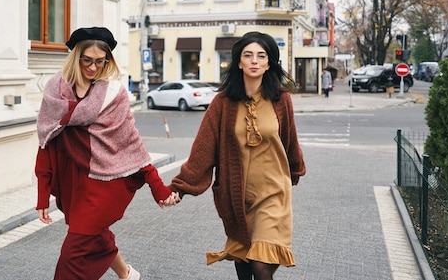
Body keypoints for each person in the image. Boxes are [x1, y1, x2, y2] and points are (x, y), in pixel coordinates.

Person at [35, 26, 179, 280]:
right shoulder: (55, 91)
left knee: (73, 252)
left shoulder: (114, 94)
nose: (93, 68)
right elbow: (46, 142)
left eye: (100, 62)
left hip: (104, 185)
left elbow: (131, 144)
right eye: (87, 60)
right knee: (96, 235)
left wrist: (158, 187)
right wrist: (42, 196)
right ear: (75, 57)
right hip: (74, 184)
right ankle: (127, 275)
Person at [169, 31, 306, 280]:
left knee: (261, 266)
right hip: (237, 195)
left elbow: (289, 140)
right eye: (248, 55)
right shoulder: (223, 103)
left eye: (261, 56)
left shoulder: (281, 99)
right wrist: (181, 187)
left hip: (274, 193)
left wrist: (295, 170)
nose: (254, 60)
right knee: (243, 264)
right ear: (239, 62)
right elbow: (204, 147)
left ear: (269, 63)